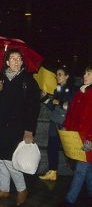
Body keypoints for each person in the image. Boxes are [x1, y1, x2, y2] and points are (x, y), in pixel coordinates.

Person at [0, 48, 40, 205]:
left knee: (11, 160)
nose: (16, 61)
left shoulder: (28, 82)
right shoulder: (3, 79)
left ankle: (22, 189)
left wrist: (29, 131)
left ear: (22, 62)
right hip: (0, 126)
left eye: (19, 59)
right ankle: (4, 189)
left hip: (17, 128)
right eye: (13, 58)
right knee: (0, 159)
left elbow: (33, 108)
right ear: (7, 62)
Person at [58, 65, 92, 206]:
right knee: (88, 170)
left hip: (87, 139)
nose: (85, 76)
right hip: (77, 137)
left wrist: (90, 139)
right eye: (85, 73)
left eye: (89, 73)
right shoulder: (81, 91)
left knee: (80, 170)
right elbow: (71, 113)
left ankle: (69, 200)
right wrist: (66, 126)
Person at [39, 66, 76, 181]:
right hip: (54, 122)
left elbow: (71, 106)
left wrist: (58, 102)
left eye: (60, 74)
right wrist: (45, 98)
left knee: (70, 150)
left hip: (65, 124)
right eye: (57, 74)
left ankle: (79, 172)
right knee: (52, 147)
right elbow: (52, 107)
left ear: (67, 76)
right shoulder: (57, 90)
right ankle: (52, 172)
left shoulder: (73, 89)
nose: (57, 77)